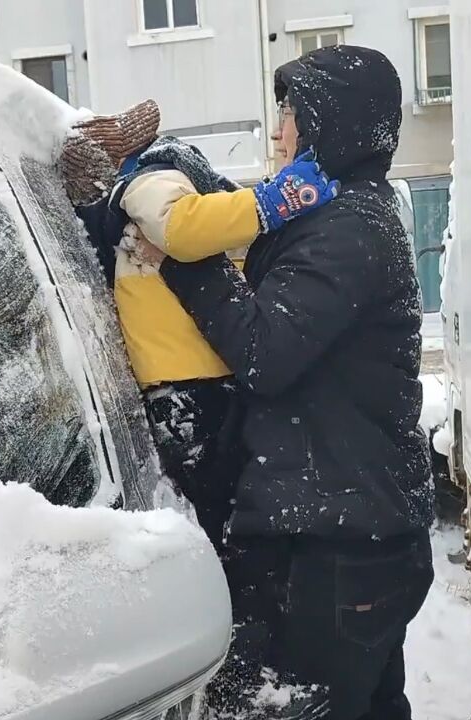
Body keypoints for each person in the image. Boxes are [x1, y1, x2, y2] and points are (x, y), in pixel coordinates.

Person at [122, 45, 434, 719]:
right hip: (356, 533)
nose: (280, 128)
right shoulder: (342, 213)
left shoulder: (351, 229)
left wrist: (178, 259)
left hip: (340, 549)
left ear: (330, 122)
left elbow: (264, 350)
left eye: (292, 111)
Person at [58, 102, 339, 549]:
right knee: (230, 512)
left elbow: (183, 227)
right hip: (193, 378)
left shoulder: (151, 178)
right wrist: (264, 208)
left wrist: (269, 206)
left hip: (188, 383)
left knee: (222, 511)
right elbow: (189, 231)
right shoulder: (151, 186)